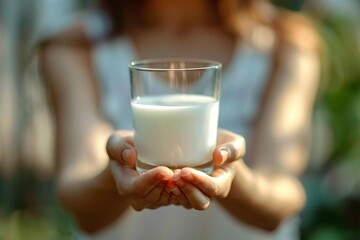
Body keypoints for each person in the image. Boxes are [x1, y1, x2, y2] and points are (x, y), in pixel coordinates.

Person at [39, 0, 320, 239]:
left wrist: (235, 180)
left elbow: (284, 193)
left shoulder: (285, 43)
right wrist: (117, 175)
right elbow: (79, 201)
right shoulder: (76, 45)